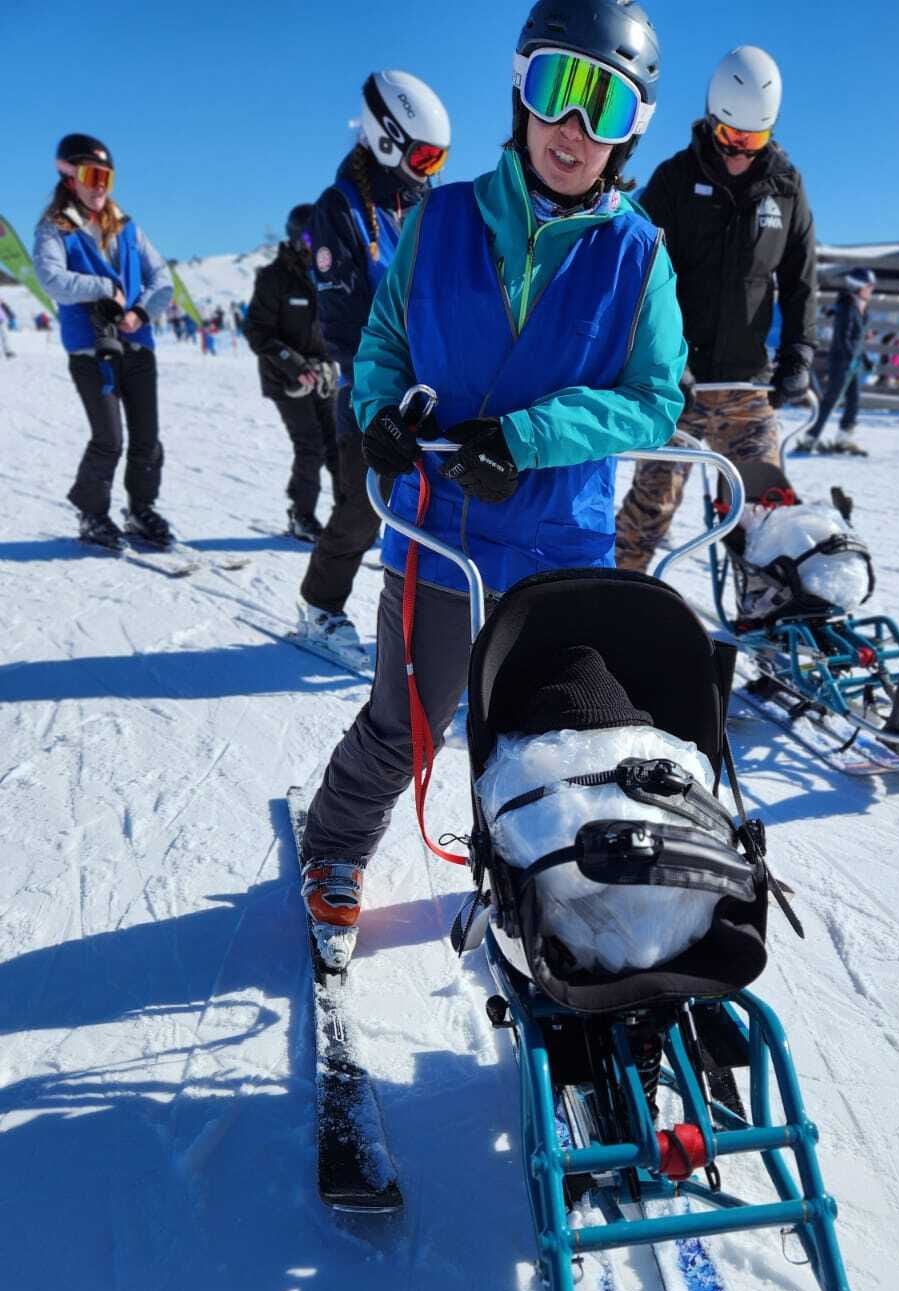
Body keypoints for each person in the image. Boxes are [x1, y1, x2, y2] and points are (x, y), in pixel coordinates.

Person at [298, 0, 686, 967]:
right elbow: (385, 340)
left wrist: (527, 436)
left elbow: (652, 399)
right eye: (560, 90)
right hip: (439, 530)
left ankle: (555, 883)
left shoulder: (637, 254)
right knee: (409, 721)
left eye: (607, 108)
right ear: (523, 91)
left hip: (558, 543)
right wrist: (381, 410)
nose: (575, 128)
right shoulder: (444, 218)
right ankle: (336, 849)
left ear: (631, 132)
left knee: (560, 735)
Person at [614, 44, 816, 572]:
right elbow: (640, 279)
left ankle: (767, 622)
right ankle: (609, 593)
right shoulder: (675, 181)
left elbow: (800, 282)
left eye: (754, 140)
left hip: (746, 386)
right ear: (711, 119)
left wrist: (798, 354)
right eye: (731, 137)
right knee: (650, 508)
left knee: (766, 511)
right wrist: (664, 359)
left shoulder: (787, 190)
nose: (740, 153)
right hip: (676, 384)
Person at [295, 69, 452, 658]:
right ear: (387, 138)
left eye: (441, 158)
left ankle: (433, 628)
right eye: (425, 154)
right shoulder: (340, 210)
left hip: (432, 392)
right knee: (362, 512)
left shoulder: (424, 207)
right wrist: (383, 393)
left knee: (437, 518)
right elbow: (343, 325)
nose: (431, 169)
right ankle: (320, 606)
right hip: (371, 395)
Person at [32, 133, 175, 550]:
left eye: (106, 177)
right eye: (91, 175)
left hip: (137, 343)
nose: (99, 185)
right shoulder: (54, 229)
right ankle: (92, 513)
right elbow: (52, 280)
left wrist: (140, 312)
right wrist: (102, 288)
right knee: (109, 437)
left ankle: (141, 508)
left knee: (147, 437)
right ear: (69, 177)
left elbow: (161, 278)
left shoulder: (126, 227)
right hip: (91, 349)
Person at [245, 204, 340, 539]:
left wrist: (330, 361)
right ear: (298, 239)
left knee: (338, 444)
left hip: (322, 376)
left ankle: (347, 518)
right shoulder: (274, 278)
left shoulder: (328, 274)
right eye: (314, 237)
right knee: (310, 443)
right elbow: (257, 331)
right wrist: (294, 364)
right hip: (285, 378)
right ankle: (301, 514)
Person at [798, 267, 875, 454]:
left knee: (854, 399)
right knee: (831, 400)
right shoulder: (847, 306)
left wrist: (863, 358)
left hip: (853, 361)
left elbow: (859, 337)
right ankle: (810, 437)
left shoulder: (862, 306)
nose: (871, 289)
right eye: (868, 286)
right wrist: (851, 358)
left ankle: (844, 438)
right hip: (842, 361)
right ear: (857, 286)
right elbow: (842, 337)